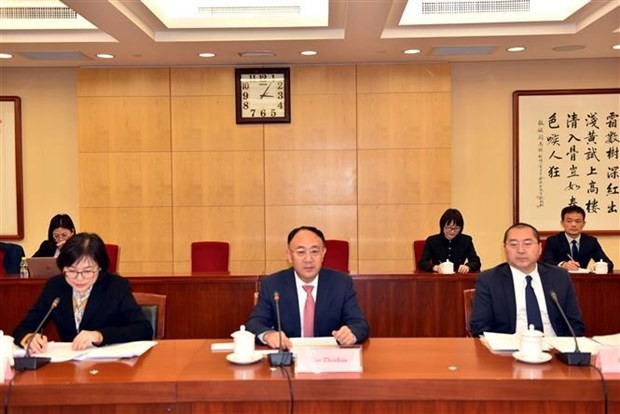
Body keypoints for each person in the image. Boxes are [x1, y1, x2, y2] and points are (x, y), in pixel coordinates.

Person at [13, 232, 152, 352]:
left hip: (109, 367)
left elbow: (143, 330)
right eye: (72, 271)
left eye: (87, 271)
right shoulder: (55, 286)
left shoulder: (116, 286)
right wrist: (28, 337)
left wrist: (99, 335)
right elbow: (22, 328)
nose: (79, 278)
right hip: (68, 367)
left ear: (100, 267)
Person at [245, 226, 369, 349]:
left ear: (323, 253)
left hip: (328, 359)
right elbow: (254, 323)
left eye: (314, 251)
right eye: (301, 252)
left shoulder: (341, 283)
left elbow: (360, 324)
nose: (308, 259)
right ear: (289, 255)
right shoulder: (272, 284)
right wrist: (268, 335)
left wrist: (351, 334)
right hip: (289, 359)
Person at [469, 223, 585, 338]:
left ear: (539, 248)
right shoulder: (489, 280)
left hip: (554, 348)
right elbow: (480, 327)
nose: (521, 250)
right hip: (509, 350)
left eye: (527, 243)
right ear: (505, 249)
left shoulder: (559, 276)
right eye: (513, 244)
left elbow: (575, 324)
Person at [541, 205, 614, 273]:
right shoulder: (553, 241)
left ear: (584, 223)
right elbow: (545, 262)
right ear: (562, 223)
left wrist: (598, 266)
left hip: (583, 281)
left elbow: (609, 264)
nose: (574, 225)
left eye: (578, 221)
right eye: (569, 221)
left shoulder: (590, 241)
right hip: (559, 280)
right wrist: (563, 264)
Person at [418, 208, 481, 273]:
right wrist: (435, 267)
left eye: (456, 228)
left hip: (458, 277)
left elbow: (476, 261)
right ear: (442, 226)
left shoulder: (466, 240)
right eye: (449, 228)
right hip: (438, 277)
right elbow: (422, 262)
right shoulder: (432, 240)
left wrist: (468, 266)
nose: (452, 232)